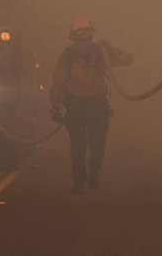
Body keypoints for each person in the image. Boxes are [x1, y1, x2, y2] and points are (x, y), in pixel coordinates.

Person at [49, 18, 133, 194]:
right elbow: (57, 82)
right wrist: (54, 105)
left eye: (85, 38)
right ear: (74, 39)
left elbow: (129, 59)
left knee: (98, 144)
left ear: (91, 37)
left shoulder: (102, 53)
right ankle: (79, 180)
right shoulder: (67, 56)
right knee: (78, 145)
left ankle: (94, 172)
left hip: (97, 105)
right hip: (75, 106)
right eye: (79, 39)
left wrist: (109, 50)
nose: (83, 44)